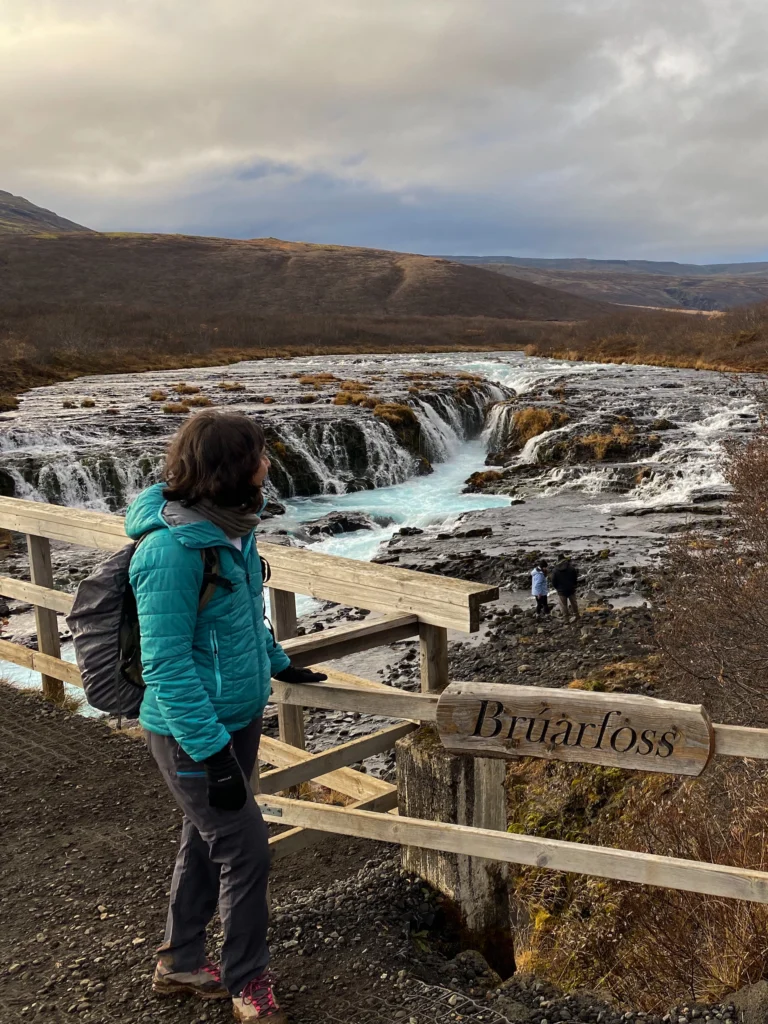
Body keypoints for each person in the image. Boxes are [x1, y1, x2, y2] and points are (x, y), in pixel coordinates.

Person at [125, 411, 326, 1022]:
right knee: (246, 850)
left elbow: (242, 618)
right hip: (191, 732)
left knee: (205, 838)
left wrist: (278, 663)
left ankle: (181, 959)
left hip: (235, 719)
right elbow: (165, 665)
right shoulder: (170, 549)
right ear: (232, 467)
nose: (268, 462)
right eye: (260, 454)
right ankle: (247, 982)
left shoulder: (235, 528)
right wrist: (210, 752)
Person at [551, 555, 579, 623]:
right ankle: (576, 615)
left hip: (561, 590)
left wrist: (557, 588)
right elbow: (575, 578)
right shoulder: (571, 568)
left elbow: (553, 581)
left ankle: (566, 619)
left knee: (563, 605)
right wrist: (574, 585)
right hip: (571, 589)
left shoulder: (555, 570)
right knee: (573, 603)